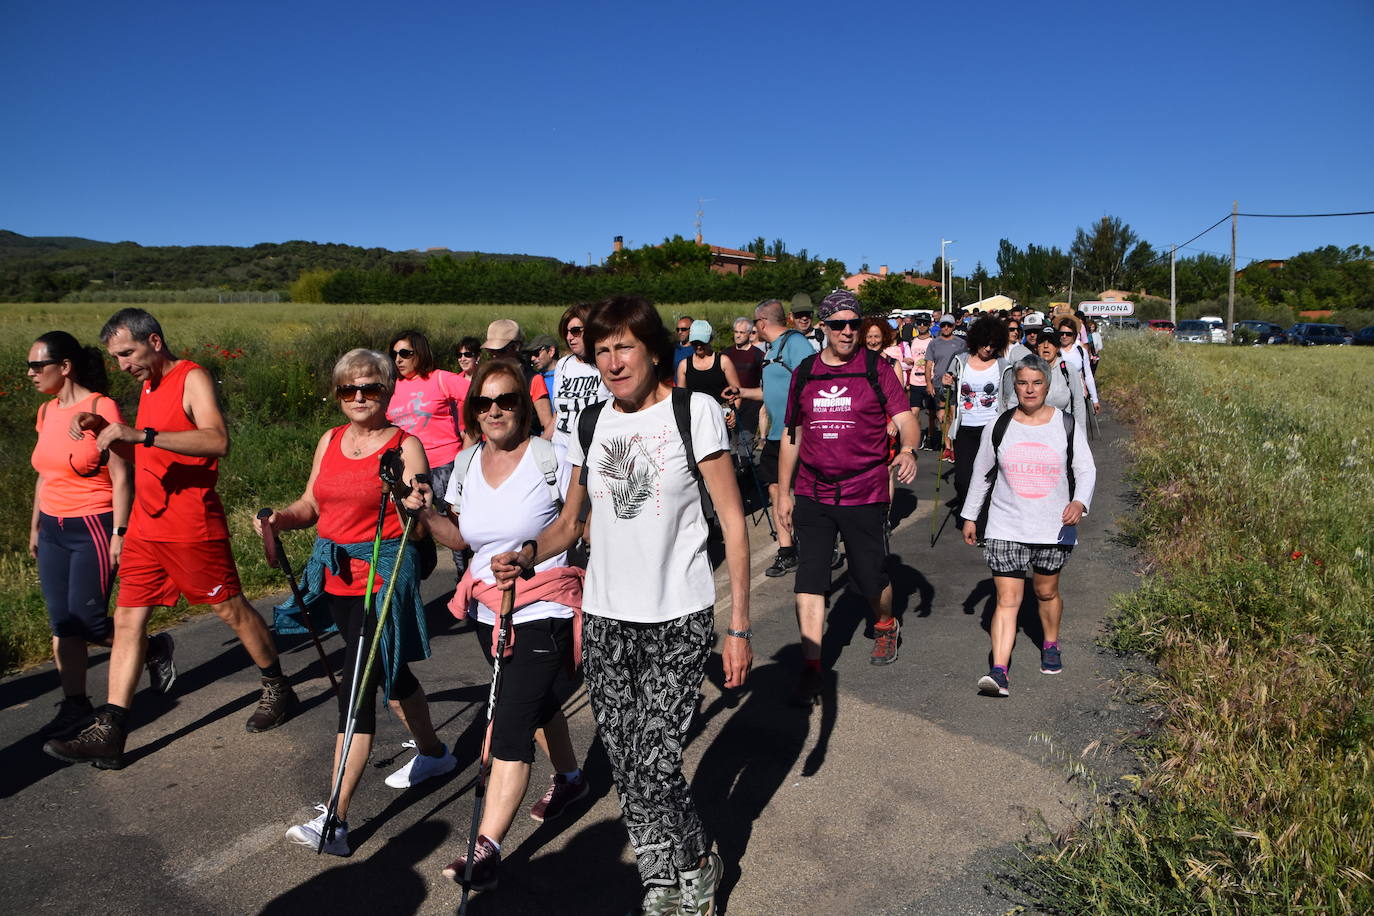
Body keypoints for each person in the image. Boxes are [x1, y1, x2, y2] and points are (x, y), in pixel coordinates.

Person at [489, 294, 752, 915]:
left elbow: (735, 525)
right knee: (627, 762)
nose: (612, 360)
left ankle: (696, 861)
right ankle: (660, 878)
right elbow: (568, 523)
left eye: (624, 346)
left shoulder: (696, 412)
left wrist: (738, 626)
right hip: (607, 617)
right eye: (602, 349)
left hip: (678, 616)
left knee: (655, 760)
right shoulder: (588, 424)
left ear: (654, 350)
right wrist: (530, 552)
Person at [45, 309, 296, 770]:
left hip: (190, 522)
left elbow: (216, 441)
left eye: (128, 353)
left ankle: (277, 685)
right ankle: (112, 728)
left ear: (154, 340)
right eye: (114, 357)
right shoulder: (147, 384)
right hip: (146, 522)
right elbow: (148, 449)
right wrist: (108, 433)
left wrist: (141, 433)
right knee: (126, 620)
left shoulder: (190, 376)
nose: (121, 364)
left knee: (229, 609)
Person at [262, 348, 452, 856]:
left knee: (357, 690)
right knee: (392, 675)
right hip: (336, 577)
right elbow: (311, 504)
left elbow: (418, 517)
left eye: (371, 387)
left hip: (382, 577)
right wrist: (281, 518)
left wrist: (412, 504)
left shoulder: (405, 446)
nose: (360, 397)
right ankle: (433, 753)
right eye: (350, 389)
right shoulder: (329, 440)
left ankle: (337, 821)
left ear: (388, 392)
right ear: (338, 394)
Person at [425, 360, 589, 889]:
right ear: (473, 409)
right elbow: (462, 538)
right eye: (484, 402)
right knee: (535, 704)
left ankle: (486, 848)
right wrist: (420, 515)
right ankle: (570, 779)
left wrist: (529, 555)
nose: (495, 411)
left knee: (513, 723)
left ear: (524, 402)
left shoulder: (551, 458)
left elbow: (575, 523)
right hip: (485, 608)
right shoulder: (466, 461)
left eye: (507, 400)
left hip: (542, 606)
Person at [777, 292, 919, 705]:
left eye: (853, 324)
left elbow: (906, 422)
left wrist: (908, 449)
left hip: (865, 490)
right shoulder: (805, 372)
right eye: (838, 324)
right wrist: (783, 493)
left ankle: (886, 622)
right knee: (810, 578)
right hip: (814, 491)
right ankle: (812, 667)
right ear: (822, 325)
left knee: (869, 574)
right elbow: (793, 436)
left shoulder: (877, 369)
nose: (846, 331)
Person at [28, 331, 143, 739]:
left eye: (38, 366)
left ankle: (152, 647)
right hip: (54, 528)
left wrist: (119, 532)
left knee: (90, 621)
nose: (31, 373)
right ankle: (75, 703)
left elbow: (121, 474)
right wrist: (36, 526)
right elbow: (45, 474)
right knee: (63, 623)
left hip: (93, 523)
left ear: (65, 367)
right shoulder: (45, 412)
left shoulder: (100, 406)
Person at [960, 354, 1095, 697]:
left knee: (1045, 591)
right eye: (1022, 383)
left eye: (1036, 383)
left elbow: (1085, 469)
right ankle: (999, 671)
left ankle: (1050, 643)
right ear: (1014, 386)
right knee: (1008, 600)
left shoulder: (1065, 424)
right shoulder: (1000, 425)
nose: (1029, 389)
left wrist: (1080, 502)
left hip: (1053, 527)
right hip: (1006, 525)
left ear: (1047, 386)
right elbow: (982, 473)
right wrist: (971, 515)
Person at [737, 299, 814, 578]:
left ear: (761, 323)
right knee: (775, 490)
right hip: (774, 434)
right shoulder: (771, 351)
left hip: (797, 432)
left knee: (802, 492)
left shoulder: (795, 343)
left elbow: (812, 382)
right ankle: (787, 550)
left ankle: (818, 543)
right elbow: (768, 393)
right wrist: (742, 392)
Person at [388, 330, 470, 576]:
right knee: (413, 530)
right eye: (394, 354)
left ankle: (464, 578)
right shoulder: (391, 387)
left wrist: (470, 437)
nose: (398, 360)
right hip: (409, 470)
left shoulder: (440, 379)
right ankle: (418, 573)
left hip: (445, 465)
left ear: (420, 353)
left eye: (405, 353)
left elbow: (478, 396)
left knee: (457, 527)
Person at [945, 316, 1016, 534]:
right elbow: (945, 395)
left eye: (994, 344)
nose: (988, 348)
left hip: (991, 427)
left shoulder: (1003, 366)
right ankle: (970, 516)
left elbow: (1009, 396)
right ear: (976, 340)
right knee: (964, 478)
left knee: (988, 477)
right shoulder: (960, 360)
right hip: (965, 427)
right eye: (985, 343)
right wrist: (945, 384)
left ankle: (985, 526)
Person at [550, 303, 611, 456]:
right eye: (566, 332)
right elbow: (558, 414)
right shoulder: (563, 365)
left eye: (576, 331)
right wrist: (540, 443)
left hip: (594, 450)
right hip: (560, 450)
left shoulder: (607, 363)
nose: (570, 337)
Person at [483, 319, 555, 439]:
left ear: (516, 347)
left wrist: (532, 453)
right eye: (491, 350)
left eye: (500, 350)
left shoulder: (533, 379)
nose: (494, 355)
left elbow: (547, 425)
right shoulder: (486, 377)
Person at [675, 319, 743, 429]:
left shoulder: (723, 361)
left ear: (710, 340)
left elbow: (738, 392)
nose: (698, 347)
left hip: (721, 419)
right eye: (695, 343)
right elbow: (681, 399)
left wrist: (733, 414)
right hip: (695, 420)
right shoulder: (684, 365)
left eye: (702, 343)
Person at [925, 317, 968, 463]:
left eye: (949, 325)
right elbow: (929, 365)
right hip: (938, 384)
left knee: (953, 415)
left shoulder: (961, 343)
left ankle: (954, 447)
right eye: (943, 325)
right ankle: (947, 447)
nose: (946, 328)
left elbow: (965, 363)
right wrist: (929, 384)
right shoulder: (934, 343)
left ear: (953, 325)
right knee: (942, 416)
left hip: (955, 384)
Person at [723, 316, 765, 454]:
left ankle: (745, 471)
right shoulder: (726, 354)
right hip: (730, 404)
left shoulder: (758, 355)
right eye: (736, 332)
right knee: (728, 445)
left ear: (749, 334)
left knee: (745, 446)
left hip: (750, 406)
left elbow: (764, 380)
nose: (738, 336)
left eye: (741, 332)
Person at [905, 316, 939, 450]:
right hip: (915, 381)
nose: (922, 326)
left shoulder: (933, 342)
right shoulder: (912, 341)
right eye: (919, 323)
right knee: (914, 412)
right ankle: (917, 436)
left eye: (925, 323)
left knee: (931, 414)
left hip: (929, 381)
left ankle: (931, 437)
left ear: (929, 325)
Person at [1056, 318, 1101, 415]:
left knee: (1078, 428)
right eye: (1061, 333)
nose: (1064, 336)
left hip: (1078, 397)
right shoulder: (1054, 351)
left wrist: (1095, 399)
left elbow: (1088, 375)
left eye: (1068, 334)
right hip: (1058, 398)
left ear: (1074, 335)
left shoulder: (1080, 351)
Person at [1036, 333, 1087, 416]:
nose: (1046, 345)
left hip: (1062, 426)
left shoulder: (1068, 369)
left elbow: (1078, 403)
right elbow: (1015, 401)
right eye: (1042, 342)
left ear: (1058, 348)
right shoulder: (1029, 369)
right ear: (1037, 346)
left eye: (1051, 342)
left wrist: (1079, 428)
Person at [527, 333, 559, 403]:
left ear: (551, 351)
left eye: (536, 353)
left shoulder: (568, 376)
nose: (532, 358)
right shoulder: (534, 380)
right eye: (530, 355)